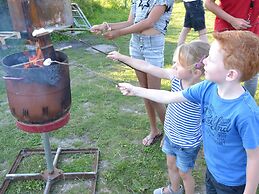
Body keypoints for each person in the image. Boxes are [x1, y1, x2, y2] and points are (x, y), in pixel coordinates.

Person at [117, 30, 259, 194]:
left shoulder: (246, 113)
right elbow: (169, 97)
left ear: (231, 74)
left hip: (232, 183)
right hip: (211, 172)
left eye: (211, 59)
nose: (204, 61)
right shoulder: (207, 88)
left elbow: (254, 158)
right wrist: (136, 90)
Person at [107, 40, 210, 194]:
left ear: (195, 73)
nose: (174, 66)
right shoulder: (176, 76)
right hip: (171, 135)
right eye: (174, 62)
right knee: (170, 165)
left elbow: (166, 97)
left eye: (178, 64)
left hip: (186, 143)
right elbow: (147, 67)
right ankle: (174, 190)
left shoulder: (198, 92)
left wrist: (135, 90)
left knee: (185, 173)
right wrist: (122, 57)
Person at [91, 0, 174, 146]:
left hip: (152, 45)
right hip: (136, 45)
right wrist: (106, 26)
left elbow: (149, 22)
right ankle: (154, 130)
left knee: (154, 95)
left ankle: (171, 133)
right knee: (143, 91)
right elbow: (130, 22)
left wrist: (118, 33)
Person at [205, 0, 259, 97]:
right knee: (219, 71)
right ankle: (216, 101)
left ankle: (246, 104)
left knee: (252, 72)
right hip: (225, 31)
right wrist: (232, 20)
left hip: (252, 32)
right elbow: (208, 3)